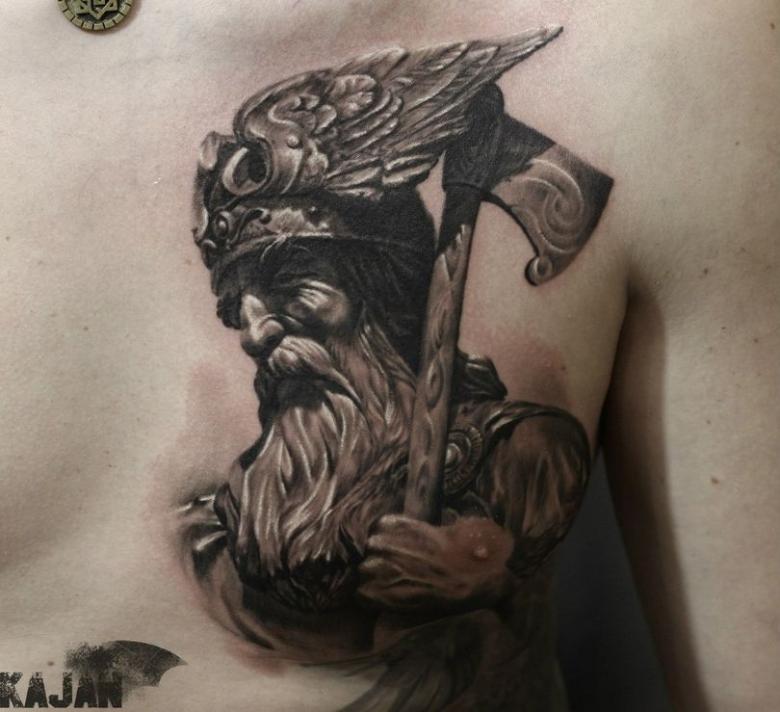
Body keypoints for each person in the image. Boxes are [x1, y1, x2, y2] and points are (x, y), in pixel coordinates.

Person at [0, 1, 777, 710]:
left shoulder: (663, 45)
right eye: (238, 307)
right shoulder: (226, 510)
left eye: (290, 287)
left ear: (384, 295)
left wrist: (490, 574)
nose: (257, 332)